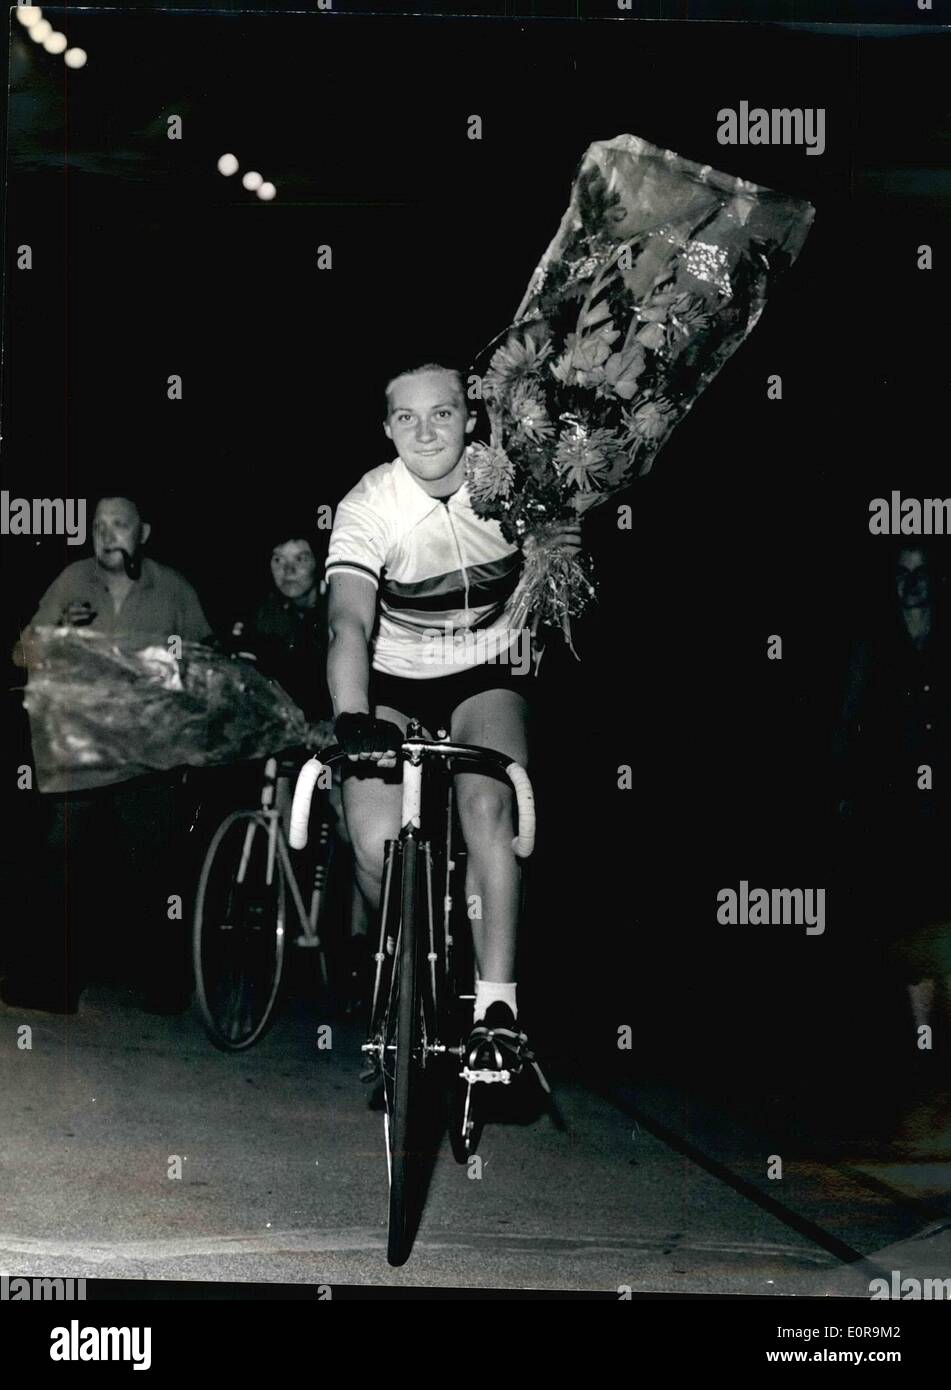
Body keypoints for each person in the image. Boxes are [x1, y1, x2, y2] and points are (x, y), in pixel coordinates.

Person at [325, 361, 581, 1074]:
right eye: (405, 417)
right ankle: (402, 975)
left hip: (484, 674)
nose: (425, 430)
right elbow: (347, 624)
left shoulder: (513, 482)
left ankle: (496, 1009)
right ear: (385, 429)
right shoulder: (368, 504)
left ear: (472, 418)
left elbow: (561, 572)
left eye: (442, 413)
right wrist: (351, 719)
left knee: (487, 803)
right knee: (374, 843)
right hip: (391, 677)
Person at [3, 493, 214, 1015]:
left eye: (120, 523)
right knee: (60, 859)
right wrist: (57, 633)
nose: (107, 533)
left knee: (157, 867)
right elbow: (19, 652)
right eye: (98, 524)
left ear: (143, 533)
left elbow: (209, 661)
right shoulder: (72, 580)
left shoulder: (173, 588)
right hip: (82, 751)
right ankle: (49, 982)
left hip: (151, 753)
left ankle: (166, 983)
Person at [835, 542, 951, 1140]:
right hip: (896, 819)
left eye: (921, 574)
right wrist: (847, 794)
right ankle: (920, 1054)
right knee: (906, 937)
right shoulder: (875, 650)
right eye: (901, 576)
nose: (911, 586)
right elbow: (849, 726)